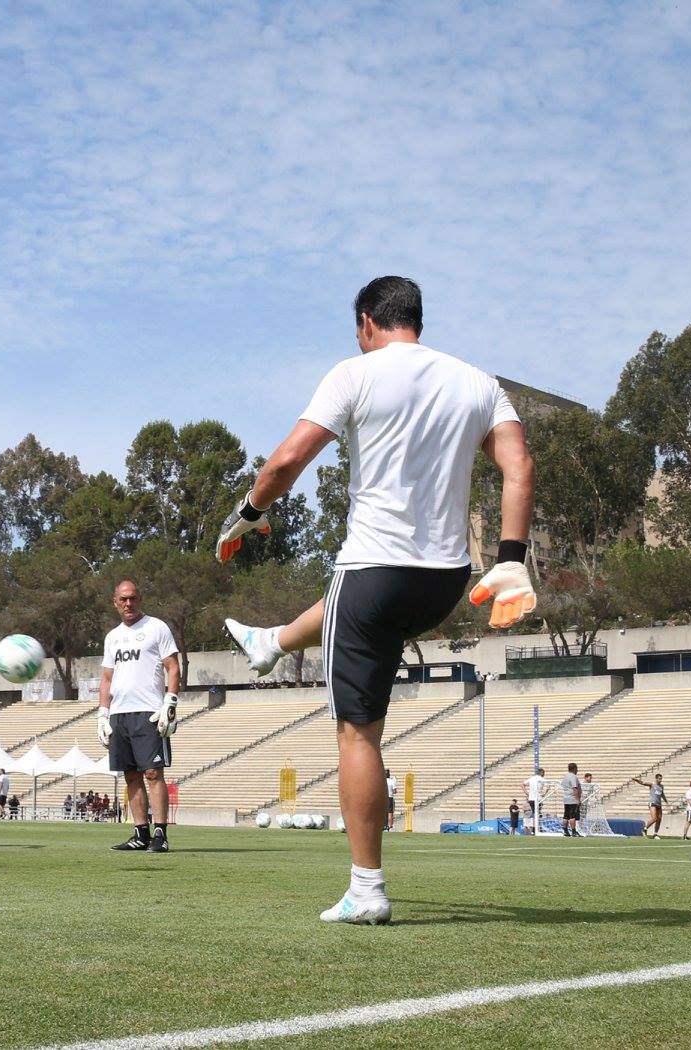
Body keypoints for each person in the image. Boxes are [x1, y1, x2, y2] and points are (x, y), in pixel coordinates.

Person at [218, 277, 535, 924]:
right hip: (444, 580)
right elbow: (520, 466)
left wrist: (249, 513)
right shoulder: (480, 383)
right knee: (340, 613)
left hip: (373, 571)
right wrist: (511, 563)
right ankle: (270, 642)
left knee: (357, 736)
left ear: (367, 322)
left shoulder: (355, 374)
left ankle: (367, 889)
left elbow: (286, 461)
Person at [98, 578, 181, 853]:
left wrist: (170, 701)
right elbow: (107, 679)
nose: (128, 603)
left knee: (153, 773)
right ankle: (140, 833)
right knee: (131, 775)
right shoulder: (112, 637)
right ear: (115, 602)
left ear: (139, 599)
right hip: (119, 714)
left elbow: (172, 667)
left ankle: (160, 833)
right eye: (123, 599)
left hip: (149, 712)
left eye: (132, 598)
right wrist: (102, 713)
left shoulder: (156, 628)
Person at [633, 774, 666, 838]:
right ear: (656, 778)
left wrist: (666, 801)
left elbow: (662, 794)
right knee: (654, 818)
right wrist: (636, 780)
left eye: (661, 779)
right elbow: (642, 783)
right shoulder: (652, 784)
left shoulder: (661, 786)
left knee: (659, 819)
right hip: (652, 803)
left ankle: (655, 834)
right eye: (659, 779)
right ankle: (644, 829)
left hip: (659, 804)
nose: (660, 780)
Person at [523, 768, 550, 834]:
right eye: (544, 773)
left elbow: (522, 784)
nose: (544, 774)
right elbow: (548, 786)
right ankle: (536, 829)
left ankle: (534, 830)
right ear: (541, 773)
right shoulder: (541, 779)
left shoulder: (532, 778)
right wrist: (544, 794)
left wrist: (526, 793)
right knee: (537, 814)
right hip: (538, 798)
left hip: (531, 799)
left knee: (534, 813)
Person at [559, 763, 582, 838]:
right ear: (574, 768)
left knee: (566, 816)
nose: (577, 770)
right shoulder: (573, 776)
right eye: (577, 769)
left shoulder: (565, 776)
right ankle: (573, 831)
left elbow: (563, 786)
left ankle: (565, 831)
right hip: (572, 799)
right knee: (572, 816)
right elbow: (574, 788)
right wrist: (577, 799)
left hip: (566, 798)